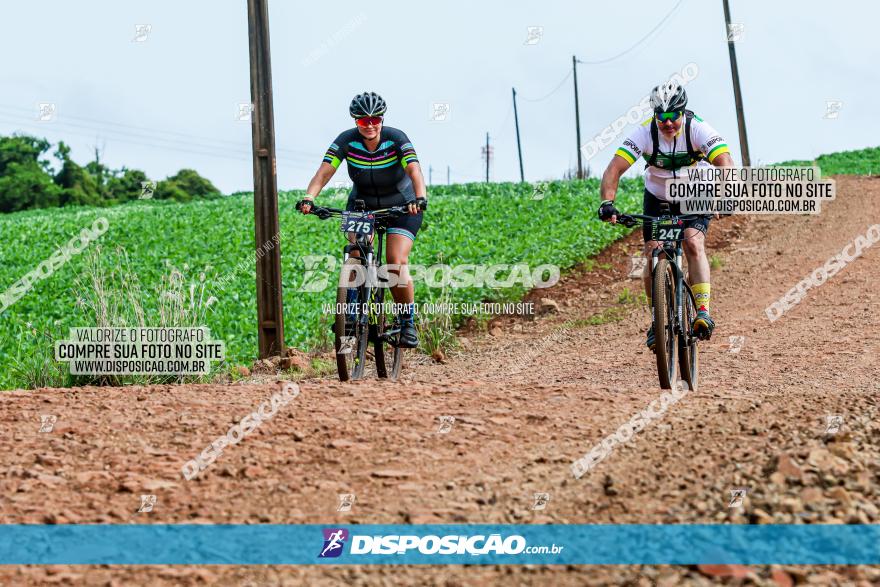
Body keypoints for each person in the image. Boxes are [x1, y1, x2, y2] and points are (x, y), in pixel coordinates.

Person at [598, 81, 734, 350]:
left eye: (673, 116)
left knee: (693, 243)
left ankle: (703, 312)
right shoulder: (645, 133)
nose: (668, 123)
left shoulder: (698, 129)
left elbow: (725, 163)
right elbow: (614, 169)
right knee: (652, 254)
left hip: (696, 193)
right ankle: (657, 319)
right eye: (662, 117)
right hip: (659, 198)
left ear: (682, 113)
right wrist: (607, 203)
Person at [298, 92, 427, 348]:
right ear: (355, 121)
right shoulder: (346, 141)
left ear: (381, 119)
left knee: (395, 262)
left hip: (403, 205)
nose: (369, 125)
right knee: (356, 252)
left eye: (375, 119)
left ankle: (407, 322)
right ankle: (352, 310)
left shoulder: (396, 138)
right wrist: (309, 197)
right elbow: (323, 173)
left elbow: (414, 169)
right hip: (362, 204)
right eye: (363, 121)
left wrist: (420, 198)